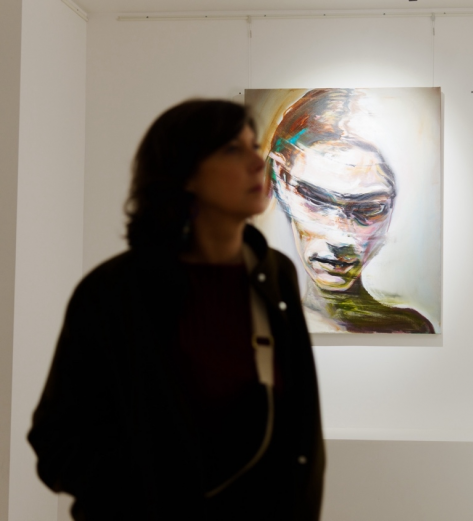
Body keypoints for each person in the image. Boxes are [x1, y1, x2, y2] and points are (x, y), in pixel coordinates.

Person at [27, 99, 325, 520]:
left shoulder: (275, 275)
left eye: (254, 147)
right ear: (184, 174)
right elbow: (58, 438)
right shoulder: (113, 291)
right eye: (232, 149)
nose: (257, 163)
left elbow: (296, 433)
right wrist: (138, 499)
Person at [267, 88, 435, 334]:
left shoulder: (412, 331)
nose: (340, 238)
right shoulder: (262, 323)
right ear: (281, 180)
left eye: (369, 209)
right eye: (315, 199)